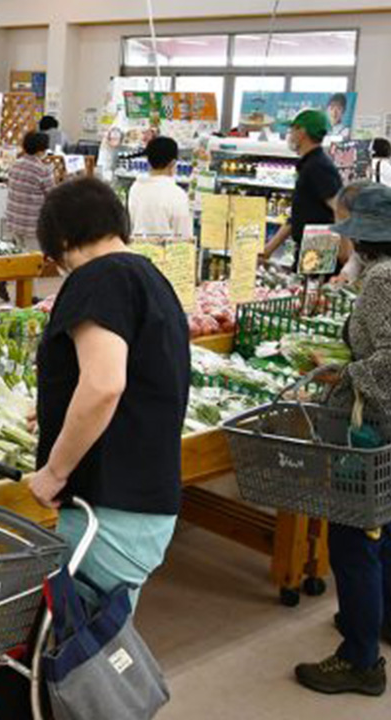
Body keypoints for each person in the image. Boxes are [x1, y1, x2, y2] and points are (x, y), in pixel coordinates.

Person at [27, 176, 189, 609]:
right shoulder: (148, 275)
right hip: (146, 496)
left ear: (62, 239)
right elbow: (134, 377)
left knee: (74, 654)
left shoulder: (99, 278)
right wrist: (53, 409)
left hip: (109, 504)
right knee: (102, 641)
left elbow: (103, 385)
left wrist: (55, 472)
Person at [294, 183, 391, 698]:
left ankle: (360, 659)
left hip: (374, 426)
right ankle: (378, 620)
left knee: (352, 539)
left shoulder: (382, 282)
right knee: (383, 527)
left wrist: (343, 374)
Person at [264, 110, 344, 269]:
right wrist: (268, 250)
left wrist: (344, 253)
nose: (290, 135)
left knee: (312, 292)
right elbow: (297, 216)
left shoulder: (318, 166)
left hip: (320, 246)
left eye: (292, 130)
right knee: (302, 289)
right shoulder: (309, 164)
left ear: (302, 132)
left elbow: (340, 208)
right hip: (309, 246)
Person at [128, 136, 194, 239]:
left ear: (148, 161)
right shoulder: (177, 194)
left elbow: (132, 222)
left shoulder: (135, 188)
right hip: (165, 252)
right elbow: (183, 236)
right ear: (173, 163)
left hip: (137, 249)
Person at [5, 131, 56, 249]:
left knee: (18, 258)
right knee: (33, 260)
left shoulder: (15, 165)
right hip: (32, 225)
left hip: (14, 221)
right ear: (41, 150)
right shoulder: (42, 170)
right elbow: (53, 196)